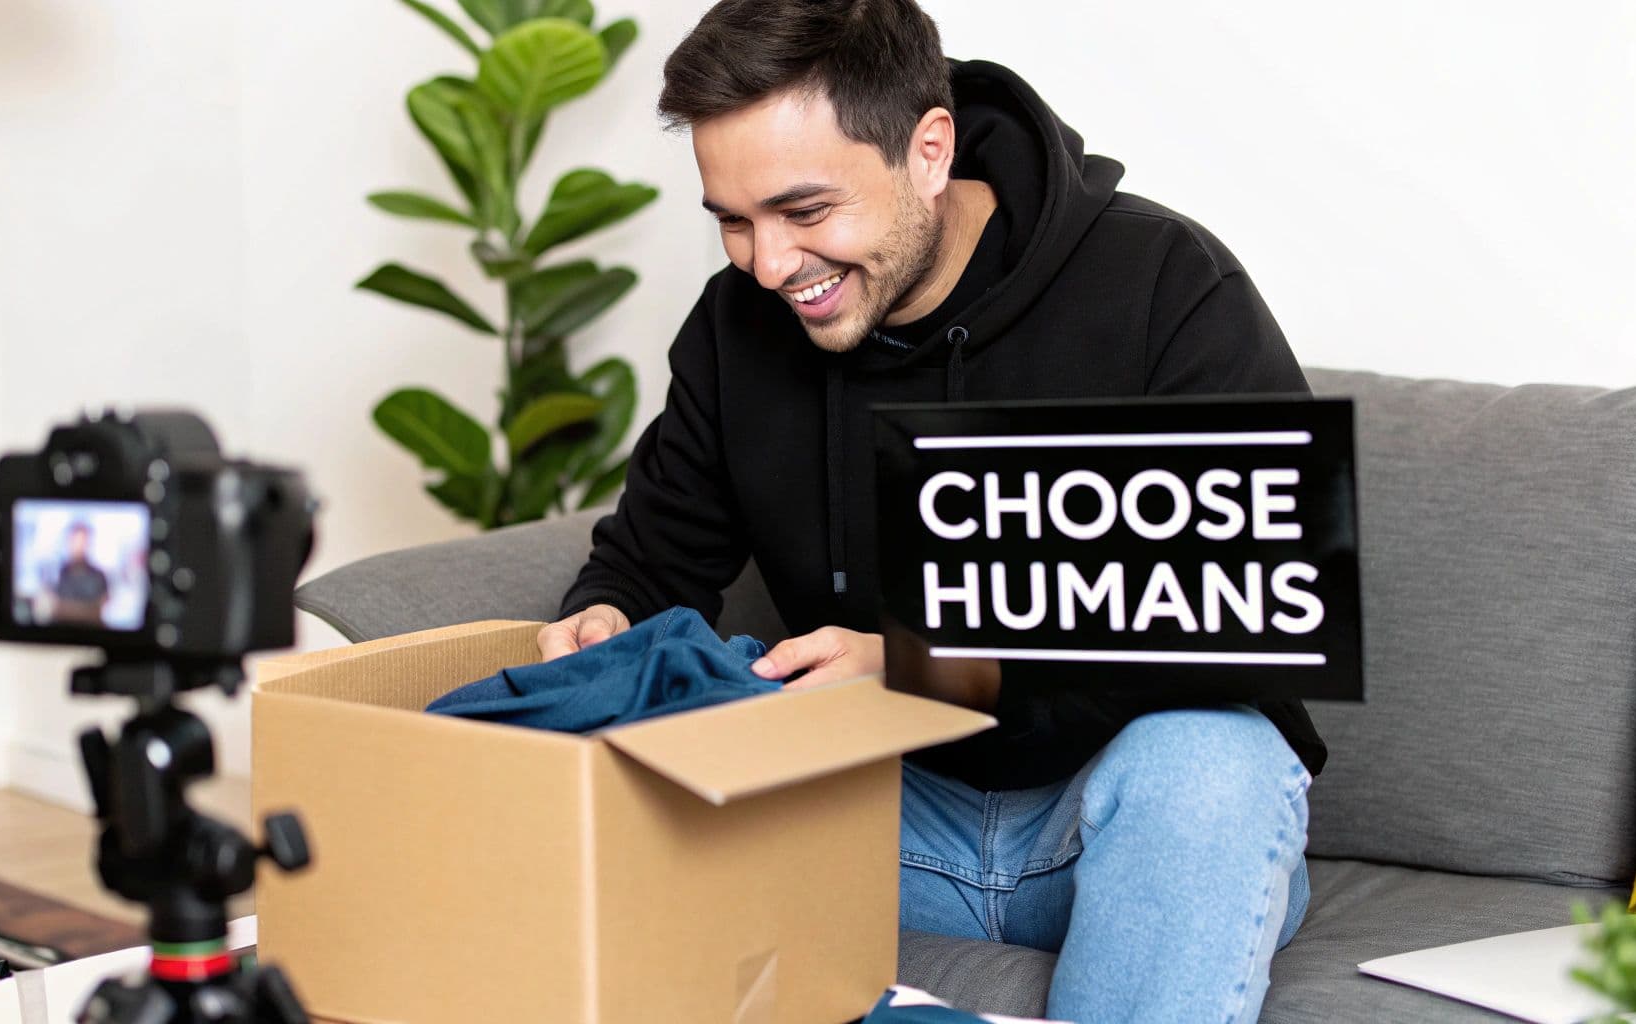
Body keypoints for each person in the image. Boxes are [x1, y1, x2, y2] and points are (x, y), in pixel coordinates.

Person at [537, 1, 1325, 1020]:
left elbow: (1253, 624)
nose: (768, 264)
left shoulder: (1162, 288)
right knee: (631, 748)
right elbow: (648, 563)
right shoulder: (739, 327)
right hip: (870, 819)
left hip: (1116, 828)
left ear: (927, 151)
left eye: (805, 211)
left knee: (1214, 761)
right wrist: (602, 618)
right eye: (732, 220)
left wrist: (911, 668)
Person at [50, 521, 111, 626]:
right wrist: (86, 609)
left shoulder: (99, 576)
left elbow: (97, 613)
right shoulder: (58, 573)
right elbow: (54, 609)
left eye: (83, 541)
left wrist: (67, 609)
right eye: (76, 541)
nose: (79, 546)